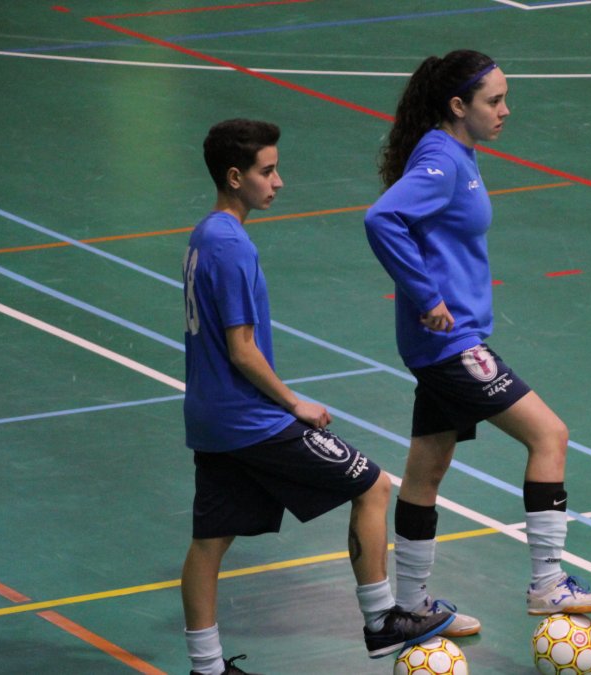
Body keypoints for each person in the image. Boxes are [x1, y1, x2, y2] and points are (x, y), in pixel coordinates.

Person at [180, 118, 452, 675]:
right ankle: (382, 620)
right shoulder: (232, 245)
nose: (278, 181)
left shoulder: (204, 235)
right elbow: (242, 349)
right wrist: (293, 403)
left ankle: (206, 668)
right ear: (235, 177)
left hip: (209, 421)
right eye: (267, 170)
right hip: (249, 421)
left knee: (210, 542)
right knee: (373, 484)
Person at [363, 50, 591, 638]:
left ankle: (412, 604)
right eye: (493, 100)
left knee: (427, 470)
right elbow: (382, 220)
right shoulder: (442, 159)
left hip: (445, 345)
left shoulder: (457, 155)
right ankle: (548, 584)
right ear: (459, 106)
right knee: (549, 435)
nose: (506, 110)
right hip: (454, 346)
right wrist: (427, 297)